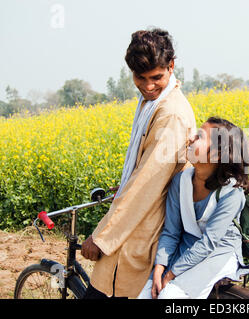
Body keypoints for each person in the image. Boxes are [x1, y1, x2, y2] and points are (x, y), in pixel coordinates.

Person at [81, 28, 197, 299]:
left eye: (156, 77)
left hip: (146, 232)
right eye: (140, 78)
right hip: (136, 224)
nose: (148, 86)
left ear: (171, 66)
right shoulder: (151, 103)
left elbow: (146, 184)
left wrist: (102, 237)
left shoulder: (171, 114)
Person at [137, 117, 249, 299]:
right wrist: (159, 268)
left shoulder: (232, 193)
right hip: (188, 245)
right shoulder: (180, 181)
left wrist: (171, 274)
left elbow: (209, 242)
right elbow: (171, 232)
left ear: (216, 154)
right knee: (144, 294)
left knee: (170, 295)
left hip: (219, 252)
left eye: (199, 136)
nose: (191, 138)